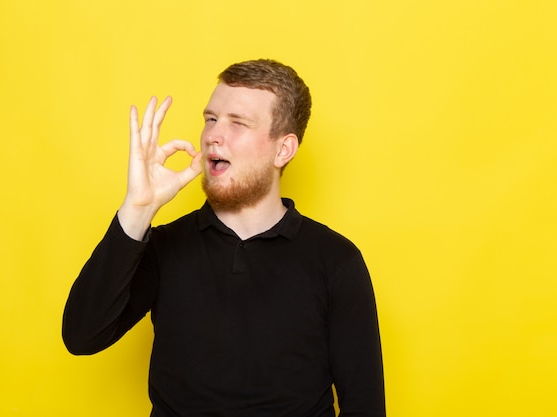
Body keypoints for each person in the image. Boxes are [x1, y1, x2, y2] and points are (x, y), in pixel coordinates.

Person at [62, 59, 385, 417]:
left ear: (283, 149)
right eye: (211, 119)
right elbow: (81, 336)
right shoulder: (166, 248)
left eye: (238, 123)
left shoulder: (337, 262)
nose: (214, 135)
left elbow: (365, 407)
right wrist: (138, 210)